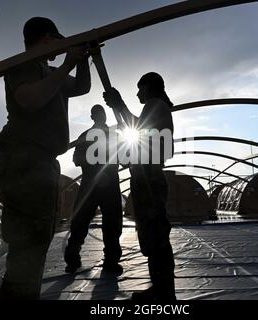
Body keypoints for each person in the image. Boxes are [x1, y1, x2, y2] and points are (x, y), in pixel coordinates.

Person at [0, 17, 91, 299]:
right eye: (59, 41)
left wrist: (83, 58)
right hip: (24, 160)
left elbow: (82, 86)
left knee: (35, 243)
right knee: (28, 244)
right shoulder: (22, 65)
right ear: (47, 38)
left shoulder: (49, 72)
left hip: (40, 162)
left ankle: (20, 293)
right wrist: (68, 64)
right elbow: (30, 100)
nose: (61, 47)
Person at [103, 72, 176, 301]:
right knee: (153, 233)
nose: (137, 93)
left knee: (155, 233)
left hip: (149, 179)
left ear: (149, 87)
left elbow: (139, 128)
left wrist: (120, 104)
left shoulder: (156, 104)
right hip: (148, 176)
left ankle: (163, 292)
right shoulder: (159, 107)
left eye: (140, 88)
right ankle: (161, 288)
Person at [64, 105, 123, 274]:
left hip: (100, 184)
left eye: (101, 114)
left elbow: (124, 156)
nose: (100, 117)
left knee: (109, 223)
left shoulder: (107, 136)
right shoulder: (101, 136)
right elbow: (77, 159)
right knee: (81, 222)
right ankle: (74, 260)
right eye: (98, 114)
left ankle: (108, 261)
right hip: (94, 184)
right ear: (93, 117)